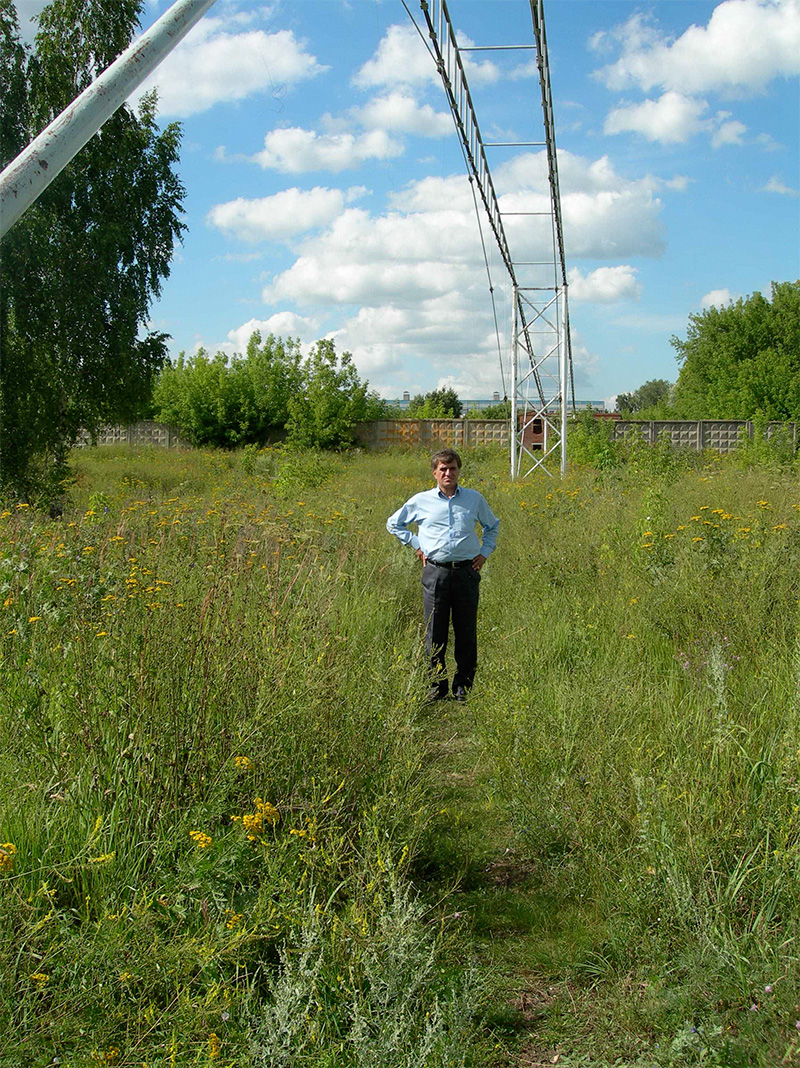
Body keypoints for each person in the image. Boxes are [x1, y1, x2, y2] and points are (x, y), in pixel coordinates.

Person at [386, 448, 499, 701]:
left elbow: (492, 526)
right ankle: (436, 686)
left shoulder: (474, 499)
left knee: (466, 630)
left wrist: (485, 552)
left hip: (467, 572)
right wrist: (416, 544)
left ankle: (463, 686)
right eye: (443, 469)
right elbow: (394, 523)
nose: (448, 473)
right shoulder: (420, 500)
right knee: (435, 632)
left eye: (453, 469)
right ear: (435, 473)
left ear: (459, 471)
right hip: (435, 572)